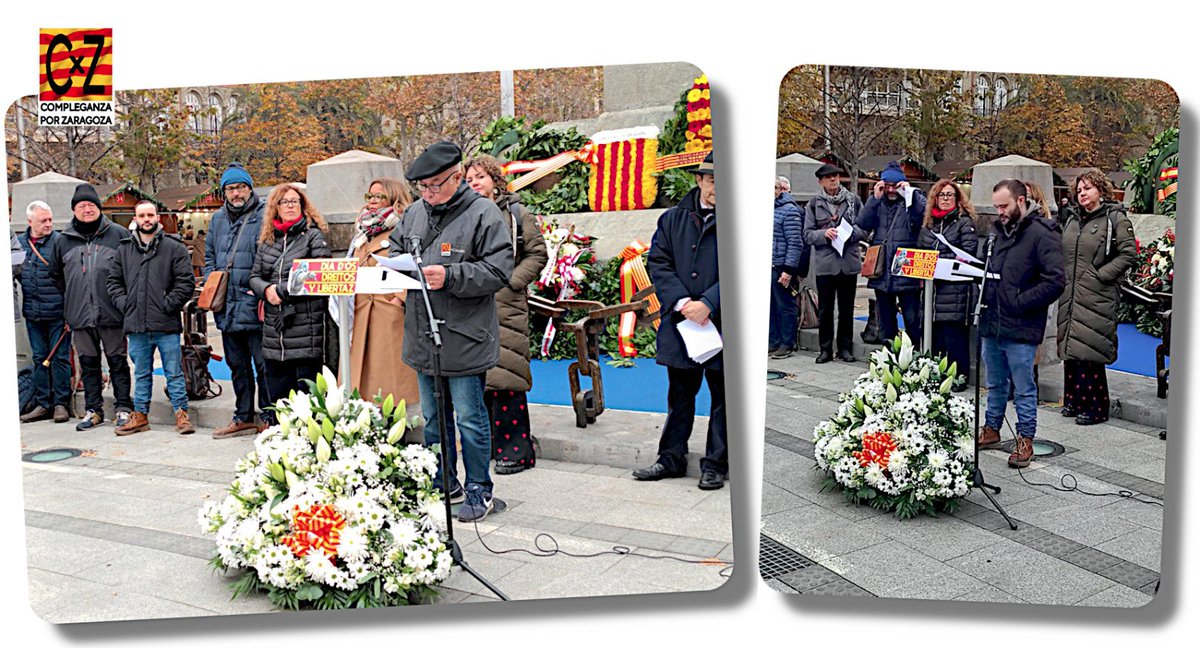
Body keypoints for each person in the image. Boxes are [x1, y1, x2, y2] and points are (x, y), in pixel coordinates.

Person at [390, 141, 513, 522]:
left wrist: (451, 275)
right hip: (422, 332)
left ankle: (480, 488)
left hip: (464, 334)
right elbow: (395, 250)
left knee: (470, 419)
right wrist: (393, 274)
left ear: (457, 177)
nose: (427, 194)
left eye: (435, 185)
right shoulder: (413, 214)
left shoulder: (484, 213)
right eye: (422, 187)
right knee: (432, 418)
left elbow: (499, 271)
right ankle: (443, 482)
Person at [632, 152, 727, 491]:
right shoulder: (672, 219)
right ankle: (670, 458)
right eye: (714, 180)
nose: (720, 187)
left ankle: (716, 463)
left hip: (721, 323)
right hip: (682, 321)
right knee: (680, 395)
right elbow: (659, 262)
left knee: (723, 397)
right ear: (700, 180)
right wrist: (684, 302)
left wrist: (710, 303)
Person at [465, 154, 549, 475]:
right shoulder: (463, 215)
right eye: (470, 179)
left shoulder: (516, 212)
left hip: (507, 303)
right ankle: (484, 446)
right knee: (479, 378)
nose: (475, 184)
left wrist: (511, 282)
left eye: (480, 177)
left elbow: (537, 252)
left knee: (508, 376)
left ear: (494, 180)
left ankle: (516, 450)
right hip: (473, 303)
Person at [977, 180, 1065, 468]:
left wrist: (1020, 301)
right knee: (994, 382)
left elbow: (1055, 281)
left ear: (1022, 201)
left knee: (1024, 386)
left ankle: (1025, 437)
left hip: (1022, 323)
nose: (999, 212)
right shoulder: (996, 233)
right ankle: (991, 429)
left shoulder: (1042, 233)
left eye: (1004, 206)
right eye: (996, 206)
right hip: (993, 319)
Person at [107, 201, 196, 435]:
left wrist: (168, 304)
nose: (146, 219)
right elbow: (114, 281)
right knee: (141, 372)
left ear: (158, 217)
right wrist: (125, 304)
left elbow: (185, 282)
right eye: (141, 215)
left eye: (150, 214)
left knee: (174, 371)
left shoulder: (173, 247)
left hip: (165, 322)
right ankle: (141, 414)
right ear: (135, 219)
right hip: (136, 324)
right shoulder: (124, 249)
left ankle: (181, 413)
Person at [1057, 171, 1136, 426]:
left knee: (1090, 349)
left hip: (1097, 294)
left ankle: (1096, 408)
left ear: (1101, 191)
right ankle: (1074, 400)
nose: (1082, 193)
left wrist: (1100, 275)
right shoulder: (1071, 219)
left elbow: (1128, 254)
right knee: (1070, 347)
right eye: (1079, 189)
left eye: (1088, 188)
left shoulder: (1115, 218)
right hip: (1070, 291)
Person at [53, 183, 134, 431]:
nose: (87, 210)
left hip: (112, 313)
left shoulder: (118, 234)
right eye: (81, 206)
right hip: (79, 316)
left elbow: (130, 272)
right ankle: (94, 410)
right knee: (88, 364)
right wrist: (74, 302)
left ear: (99, 208)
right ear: (74, 210)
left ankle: (123, 407)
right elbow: (57, 277)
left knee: (117, 362)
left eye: (91, 205)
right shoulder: (63, 240)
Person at [250, 184, 333, 412]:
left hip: (305, 326)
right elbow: (254, 276)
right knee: (278, 393)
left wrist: (280, 290)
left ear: (303, 205)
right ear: (275, 207)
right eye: (284, 202)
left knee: (309, 395)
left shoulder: (313, 236)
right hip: (274, 330)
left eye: (295, 201)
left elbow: (319, 275)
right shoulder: (267, 240)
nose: (290, 206)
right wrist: (266, 289)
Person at [205, 163, 271, 438]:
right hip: (227, 306)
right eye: (231, 189)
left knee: (263, 365)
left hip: (252, 301)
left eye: (240, 187)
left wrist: (256, 286)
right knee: (237, 365)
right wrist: (213, 281)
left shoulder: (263, 214)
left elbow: (269, 252)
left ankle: (269, 416)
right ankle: (243, 415)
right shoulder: (218, 219)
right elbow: (209, 254)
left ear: (249, 188)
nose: (236, 193)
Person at [856, 161, 926, 347]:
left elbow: (925, 216)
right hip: (882, 269)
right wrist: (874, 199)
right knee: (886, 320)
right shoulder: (878, 202)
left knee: (912, 318)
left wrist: (911, 193)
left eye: (895, 186)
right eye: (888, 186)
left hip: (907, 268)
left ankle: (916, 355)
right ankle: (891, 356)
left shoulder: (912, 200)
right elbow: (862, 223)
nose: (892, 190)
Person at [916, 179, 978, 388]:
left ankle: (959, 377)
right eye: (941, 195)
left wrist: (938, 258)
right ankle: (936, 375)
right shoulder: (929, 224)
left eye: (950, 195)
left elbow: (967, 253)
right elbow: (921, 250)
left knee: (955, 338)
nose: (945, 199)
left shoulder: (964, 222)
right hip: (931, 291)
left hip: (955, 291)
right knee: (936, 338)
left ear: (957, 198)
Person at [804, 164, 864, 364]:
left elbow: (864, 228)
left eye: (836, 177)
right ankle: (825, 349)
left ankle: (845, 348)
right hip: (826, 265)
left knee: (847, 309)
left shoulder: (854, 200)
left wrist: (848, 234)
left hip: (848, 263)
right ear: (820, 182)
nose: (833, 180)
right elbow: (807, 234)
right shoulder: (813, 204)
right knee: (826, 310)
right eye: (828, 178)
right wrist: (825, 234)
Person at [17, 201, 72, 424]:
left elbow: (69, 277)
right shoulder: (18, 244)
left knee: (59, 358)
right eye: (44, 221)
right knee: (40, 358)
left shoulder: (59, 242)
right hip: (33, 313)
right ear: (30, 221)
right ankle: (43, 403)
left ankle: (61, 403)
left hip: (58, 312)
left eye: (50, 219)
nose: (49, 224)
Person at [768, 175, 803, 359]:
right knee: (770, 306)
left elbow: (795, 243)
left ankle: (787, 343)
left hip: (782, 265)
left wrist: (788, 270)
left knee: (785, 305)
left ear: (779, 190)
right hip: (768, 264)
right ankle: (773, 341)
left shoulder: (790, 210)